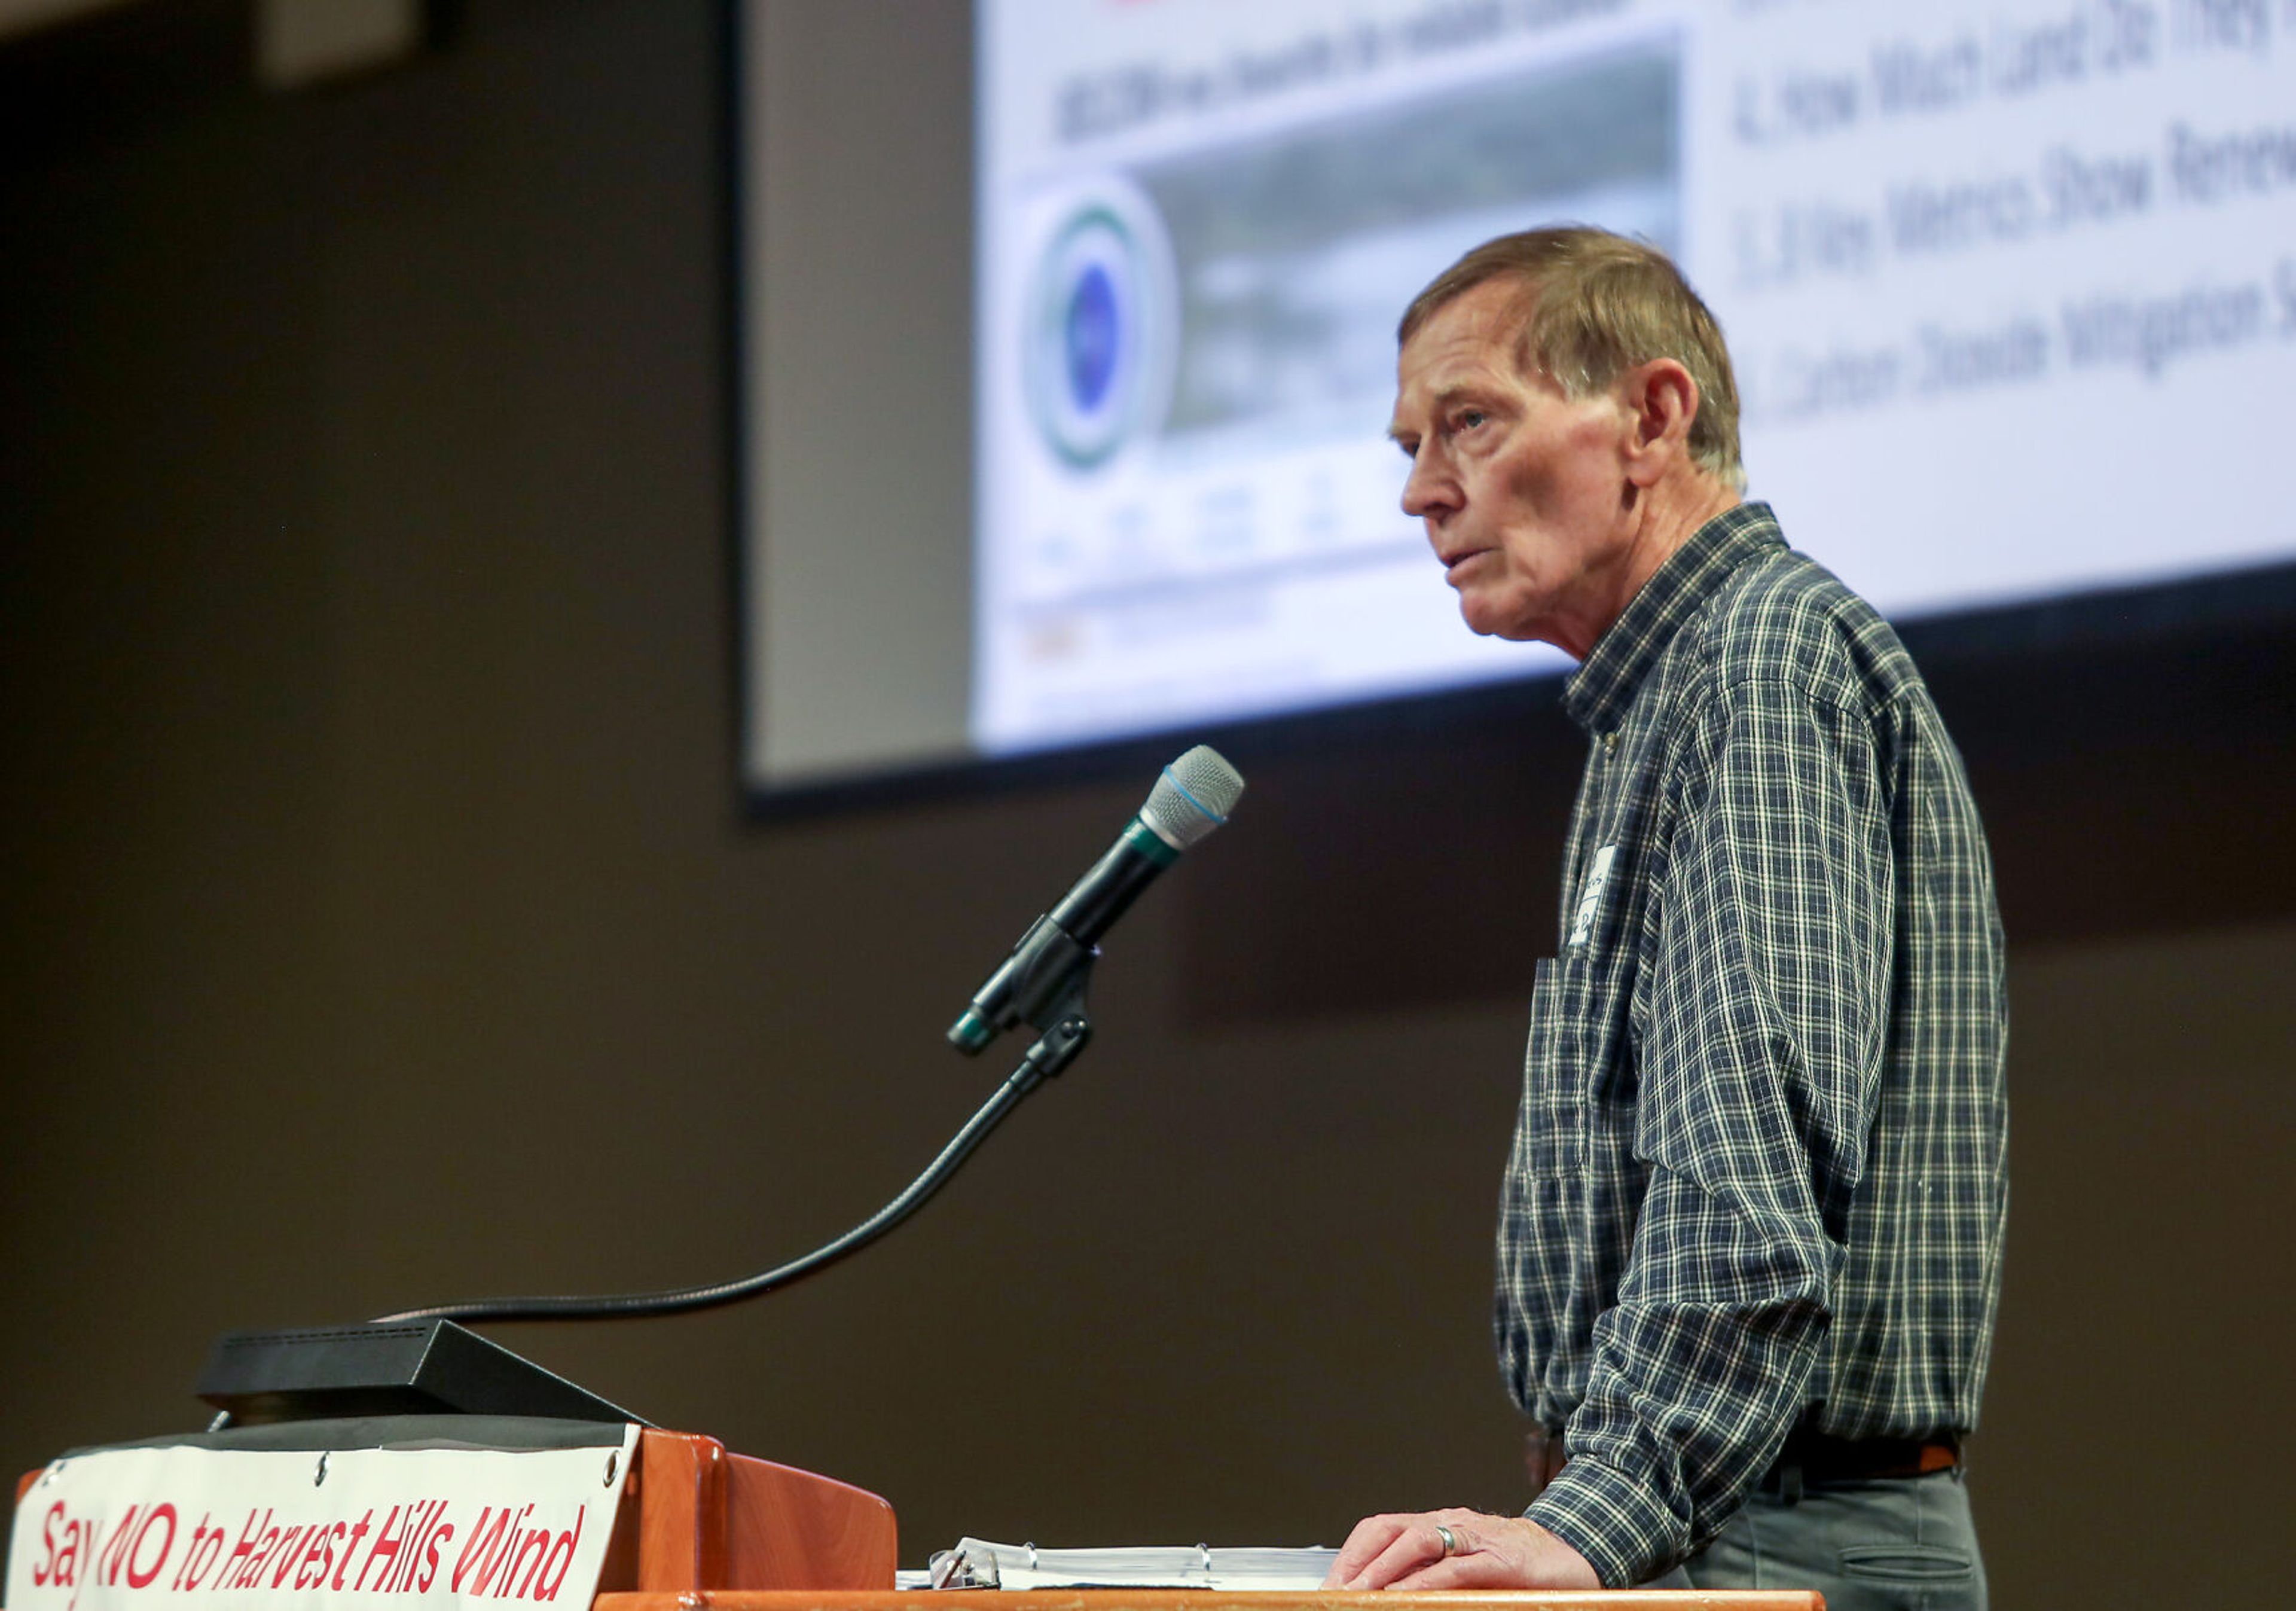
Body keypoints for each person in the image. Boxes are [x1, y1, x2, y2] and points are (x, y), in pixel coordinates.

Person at [1323, 228, 2007, 1608]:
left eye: (1469, 422)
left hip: (1771, 1533)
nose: (1419, 492)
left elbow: (1750, 1165)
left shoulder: (1755, 661)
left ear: (1651, 417)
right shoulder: (1669, 696)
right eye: (1410, 443)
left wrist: (1607, 1506)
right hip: (1735, 1520)